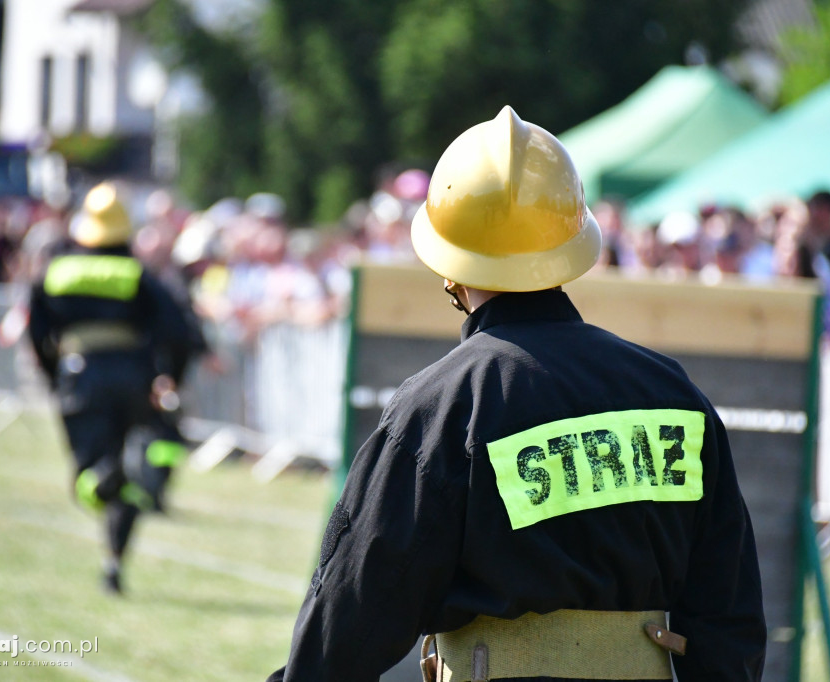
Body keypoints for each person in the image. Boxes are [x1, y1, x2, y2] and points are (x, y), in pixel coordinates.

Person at [269, 107, 766, 681]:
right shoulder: (673, 396)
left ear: (447, 266)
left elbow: (352, 615)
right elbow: (730, 619)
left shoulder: (440, 409)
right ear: (571, 242)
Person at [28, 181, 196, 592]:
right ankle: (114, 563)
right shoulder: (138, 275)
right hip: (133, 381)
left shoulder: (57, 271)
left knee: (89, 481)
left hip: (80, 379)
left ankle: (109, 478)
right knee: (127, 479)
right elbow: (179, 332)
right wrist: (168, 375)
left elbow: (36, 333)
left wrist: (55, 377)